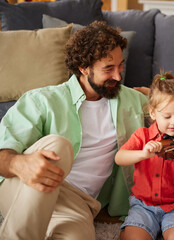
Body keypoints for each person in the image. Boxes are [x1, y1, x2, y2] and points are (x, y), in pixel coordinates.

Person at [0, 21, 148, 239]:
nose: (118, 76)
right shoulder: (42, 100)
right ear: (84, 68)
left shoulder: (132, 100)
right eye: (108, 68)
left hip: (78, 202)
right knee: (59, 146)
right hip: (27, 187)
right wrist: (19, 163)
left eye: (120, 66)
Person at [115, 72, 174, 240]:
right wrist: (143, 153)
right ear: (153, 113)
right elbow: (119, 158)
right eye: (167, 116)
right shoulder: (142, 136)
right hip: (143, 205)